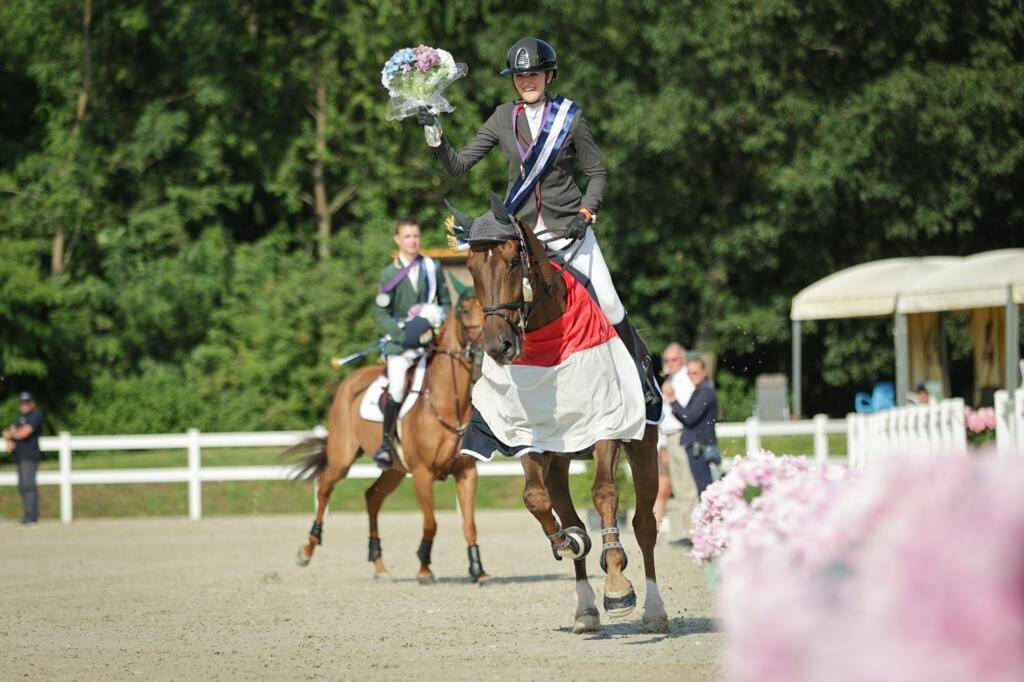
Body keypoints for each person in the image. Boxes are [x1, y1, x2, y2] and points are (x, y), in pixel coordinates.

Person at [415, 36, 659, 404]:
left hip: (569, 231)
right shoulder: (501, 117)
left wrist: (586, 212)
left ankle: (642, 380)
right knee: (501, 310)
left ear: (549, 76)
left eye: (533, 74)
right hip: (525, 239)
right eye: (519, 76)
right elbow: (458, 165)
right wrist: (434, 131)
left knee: (609, 302)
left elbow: (598, 174)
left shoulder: (571, 118)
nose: (526, 81)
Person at [373, 218, 452, 468]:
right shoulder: (389, 273)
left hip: (431, 343)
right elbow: (382, 313)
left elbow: (446, 303)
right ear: (397, 240)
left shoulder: (432, 267)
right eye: (407, 237)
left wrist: (437, 327)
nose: (412, 241)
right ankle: (386, 443)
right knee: (397, 387)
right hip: (402, 345)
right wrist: (401, 335)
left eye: (416, 236)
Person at [655, 343, 698, 545]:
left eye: (674, 360)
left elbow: (685, 412)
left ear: (682, 360)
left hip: (683, 434)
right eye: (667, 360)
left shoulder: (686, 381)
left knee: (687, 485)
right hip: (670, 436)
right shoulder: (671, 380)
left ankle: (692, 532)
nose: (670, 364)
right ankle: (685, 531)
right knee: (679, 488)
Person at [663, 358, 720, 497]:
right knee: (705, 490)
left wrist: (673, 400)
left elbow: (690, 417)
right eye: (689, 373)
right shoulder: (700, 391)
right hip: (697, 446)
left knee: (706, 491)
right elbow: (686, 417)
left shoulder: (705, 391)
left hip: (700, 447)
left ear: (704, 372)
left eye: (695, 373)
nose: (691, 376)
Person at [3, 392, 44, 525]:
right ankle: (27, 514)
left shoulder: (35, 416)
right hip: (19, 456)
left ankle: (32, 516)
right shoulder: (21, 418)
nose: (24, 405)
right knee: (22, 485)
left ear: (32, 403)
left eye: (26, 403)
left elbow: (24, 433)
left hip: (29, 456)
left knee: (29, 485)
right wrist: (12, 433)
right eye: (22, 403)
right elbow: (9, 431)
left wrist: (12, 434)